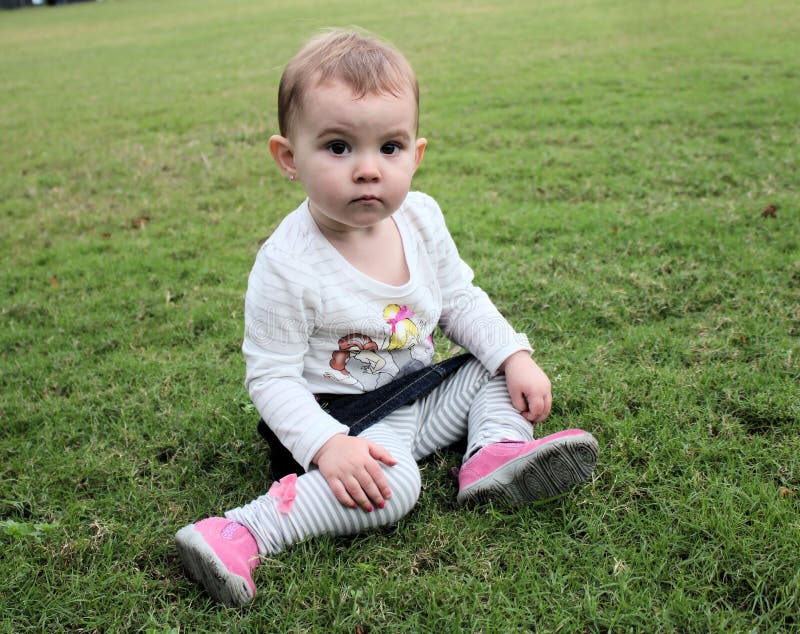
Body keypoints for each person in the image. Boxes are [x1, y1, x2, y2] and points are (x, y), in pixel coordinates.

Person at [175, 28, 599, 607]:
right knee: (397, 487)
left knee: (494, 368)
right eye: (338, 147)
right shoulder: (287, 264)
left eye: (390, 148)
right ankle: (242, 531)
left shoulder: (421, 218)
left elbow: (459, 297)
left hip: (412, 393)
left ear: (416, 155)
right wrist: (327, 446)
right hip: (341, 419)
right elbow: (271, 377)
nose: (368, 169)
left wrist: (514, 354)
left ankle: (493, 454)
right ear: (288, 158)